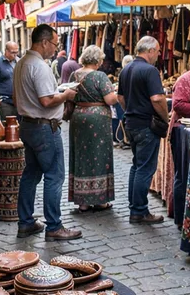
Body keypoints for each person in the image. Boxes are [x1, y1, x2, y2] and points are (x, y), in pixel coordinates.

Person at [14, 25, 82, 240]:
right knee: (54, 175)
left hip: (28, 125)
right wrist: (67, 94)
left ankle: (26, 222)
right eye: (54, 43)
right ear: (44, 42)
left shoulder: (21, 63)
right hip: (44, 127)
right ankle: (54, 226)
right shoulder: (39, 66)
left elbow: (21, 98)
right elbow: (46, 100)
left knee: (31, 174)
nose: (55, 48)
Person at [119, 37, 168, 224]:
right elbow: (157, 98)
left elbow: (120, 97)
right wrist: (165, 117)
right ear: (150, 51)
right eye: (157, 51)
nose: (158, 55)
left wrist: (131, 109)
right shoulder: (150, 70)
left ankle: (135, 208)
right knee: (145, 168)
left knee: (137, 165)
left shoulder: (126, 69)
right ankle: (139, 210)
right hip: (146, 124)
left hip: (131, 123)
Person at [68, 45, 118, 212]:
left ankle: (82, 201)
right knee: (99, 155)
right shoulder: (100, 76)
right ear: (97, 61)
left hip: (78, 116)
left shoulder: (74, 74)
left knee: (81, 155)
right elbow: (110, 99)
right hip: (97, 119)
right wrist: (117, 93)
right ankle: (100, 200)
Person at [112, 55, 134, 148]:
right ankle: (126, 139)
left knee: (122, 118)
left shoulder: (123, 73)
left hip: (125, 100)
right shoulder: (133, 71)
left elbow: (120, 95)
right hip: (132, 100)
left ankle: (123, 139)